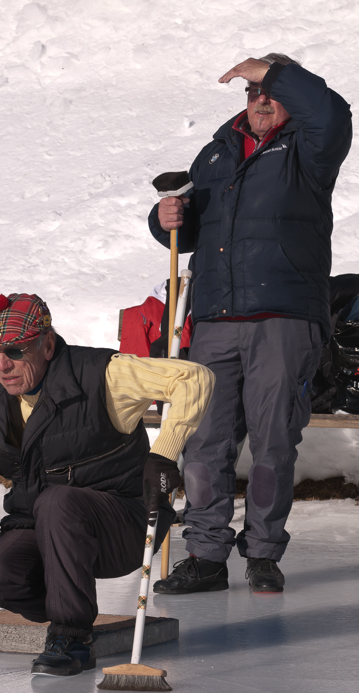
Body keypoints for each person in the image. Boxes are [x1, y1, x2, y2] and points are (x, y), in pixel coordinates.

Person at [0, 292, 214, 676]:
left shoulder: (101, 374)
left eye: (14, 350)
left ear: (46, 344)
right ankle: (69, 602)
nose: (2, 365)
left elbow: (194, 377)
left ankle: (72, 635)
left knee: (58, 502)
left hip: (124, 525)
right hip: (44, 527)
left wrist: (163, 454)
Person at [148, 54, 352, 595]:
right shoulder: (217, 152)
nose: (260, 100)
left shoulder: (310, 150)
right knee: (204, 440)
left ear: (288, 96)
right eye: (253, 92)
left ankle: (262, 551)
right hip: (216, 316)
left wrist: (273, 70)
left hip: (284, 317)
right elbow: (190, 225)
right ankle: (206, 555)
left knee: (274, 440)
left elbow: (333, 113)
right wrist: (165, 218)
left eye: (271, 91)